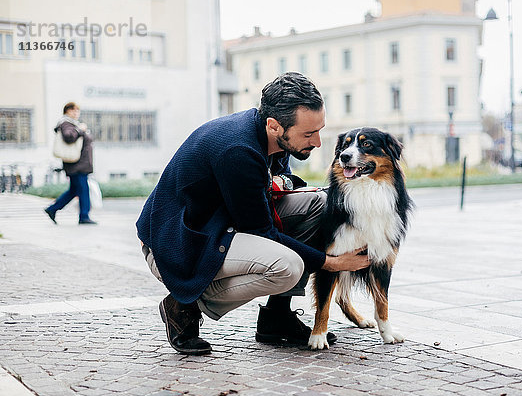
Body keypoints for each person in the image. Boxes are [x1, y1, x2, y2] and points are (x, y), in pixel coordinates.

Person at [136, 72, 369, 355]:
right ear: (274, 126)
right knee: (286, 266)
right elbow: (262, 231)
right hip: (182, 244)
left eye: (319, 130)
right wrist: (330, 262)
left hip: (223, 222)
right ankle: (183, 304)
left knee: (322, 203)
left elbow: (283, 182)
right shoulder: (239, 150)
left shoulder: (271, 136)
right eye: (308, 134)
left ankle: (276, 319)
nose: (318, 142)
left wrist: (279, 182)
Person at [44, 102, 97, 225]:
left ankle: (52, 209)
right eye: (73, 110)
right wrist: (80, 130)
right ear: (66, 111)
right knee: (83, 189)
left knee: (74, 190)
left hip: (79, 163)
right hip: (76, 165)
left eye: (77, 111)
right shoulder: (66, 123)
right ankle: (84, 216)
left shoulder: (73, 124)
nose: (76, 113)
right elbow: (69, 136)